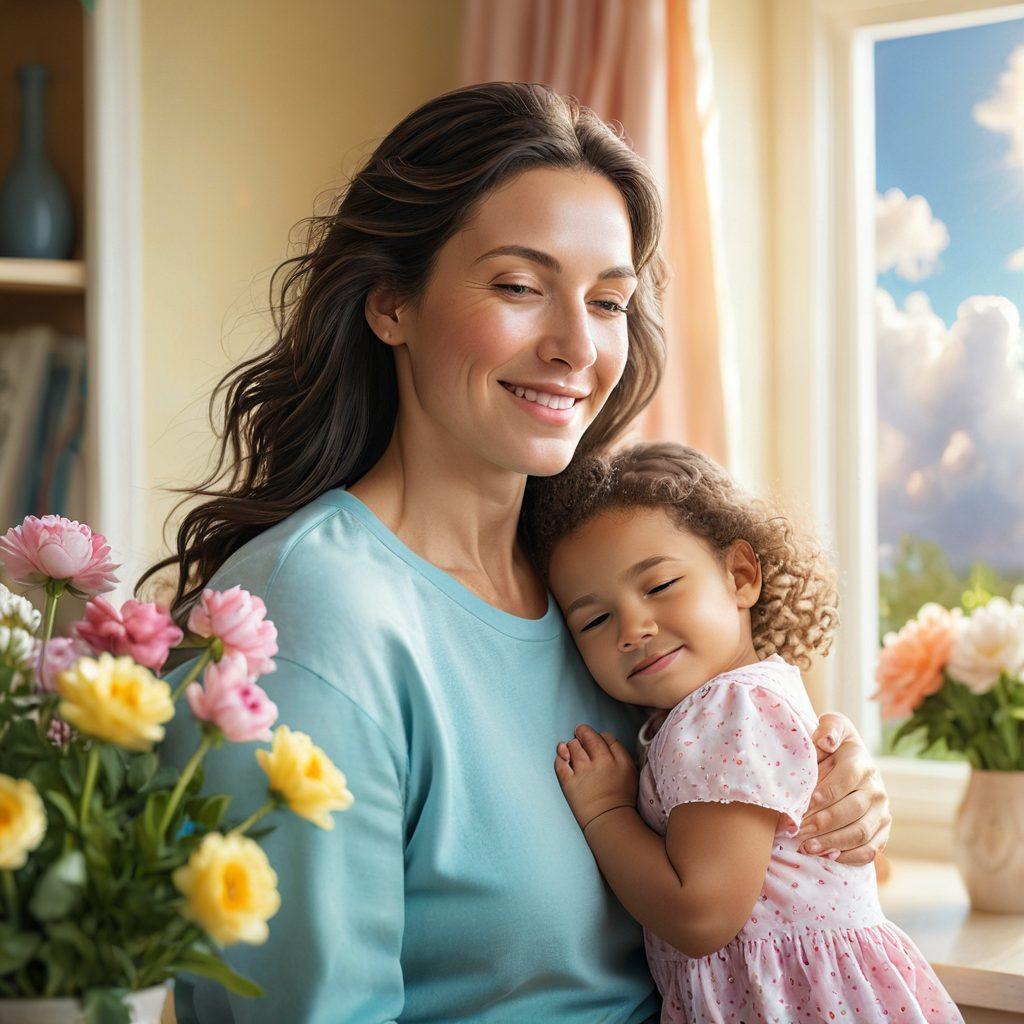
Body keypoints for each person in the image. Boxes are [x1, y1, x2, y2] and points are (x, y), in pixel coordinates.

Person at [145, 82, 893, 1024]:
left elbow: (751, 882)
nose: (578, 346)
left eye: (609, 301)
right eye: (518, 286)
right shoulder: (313, 617)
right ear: (390, 303)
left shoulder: (603, 593)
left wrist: (829, 794)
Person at [523, 441, 961, 1024]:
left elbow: (699, 916)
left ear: (741, 575)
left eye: (658, 586)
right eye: (595, 619)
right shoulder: (731, 702)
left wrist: (605, 812)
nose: (632, 628)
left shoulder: (726, 710)